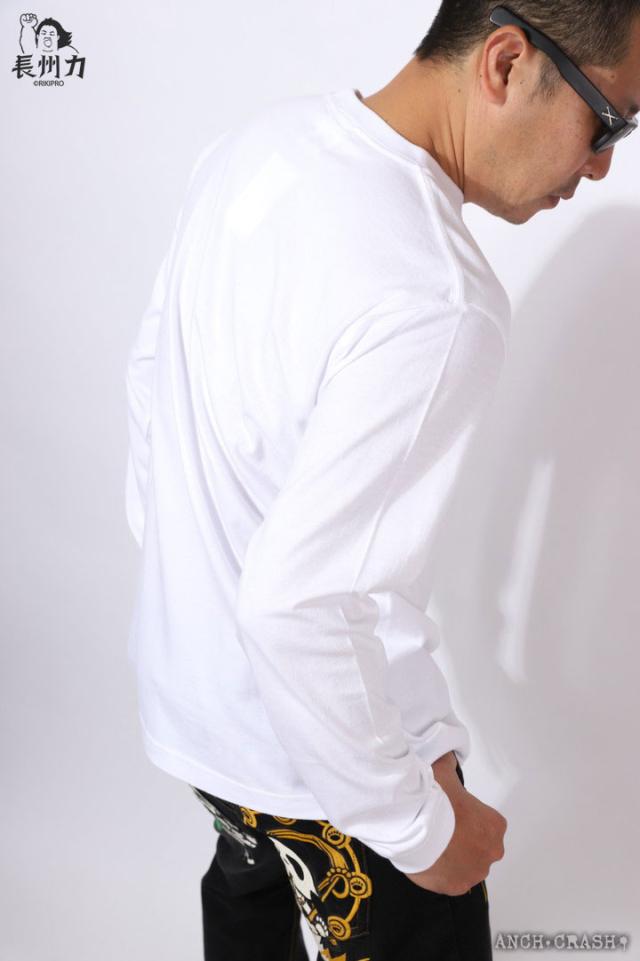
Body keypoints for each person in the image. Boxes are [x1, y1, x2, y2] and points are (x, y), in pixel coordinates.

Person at [124, 2, 640, 959]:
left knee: (248, 920)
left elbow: (153, 389)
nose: (601, 165)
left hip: (204, 724)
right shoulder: (436, 296)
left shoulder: (256, 148)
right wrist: (422, 829)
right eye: (608, 121)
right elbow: (298, 604)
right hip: (344, 766)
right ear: (506, 62)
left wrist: (198, 597)